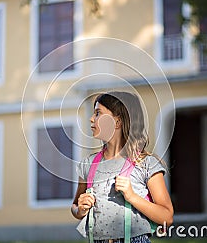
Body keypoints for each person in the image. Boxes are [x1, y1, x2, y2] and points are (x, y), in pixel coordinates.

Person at [71, 91, 173, 243]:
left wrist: (132, 197)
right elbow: (74, 207)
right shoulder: (88, 165)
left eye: (98, 113)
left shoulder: (146, 164)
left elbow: (167, 217)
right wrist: (80, 210)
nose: (91, 119)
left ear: (117, 122)